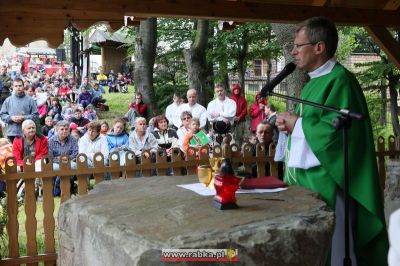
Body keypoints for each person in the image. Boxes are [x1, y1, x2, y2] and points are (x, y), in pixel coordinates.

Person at [276, 16, 388, 265]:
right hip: (307, 178)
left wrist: (298, 124)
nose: (293, 51)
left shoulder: (341, 80)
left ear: (319, 47)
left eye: (298, 46)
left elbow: (339, 134)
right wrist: (290, 127)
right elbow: (312, 126)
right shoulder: (312, 83)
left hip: (330, 179)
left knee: (333, 249)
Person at [0, 78, 39, 143]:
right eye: (16, 86)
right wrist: (11, 118)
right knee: (13, 153)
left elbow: (36, 116)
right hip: (12, 133)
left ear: (23, 86)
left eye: (20, 86)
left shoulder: (30, 100)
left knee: (27, 153)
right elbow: (2, 115)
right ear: (13, 87)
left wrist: (24, 118)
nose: (18, 88)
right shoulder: (8, 100)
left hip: (27, 133)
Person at [48, 120, 79, 196]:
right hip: (55, 163)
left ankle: (57, 190)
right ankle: (67, 189)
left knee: (72, 166)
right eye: (62, 129)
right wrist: (60, 160)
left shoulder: (73, 140)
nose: (64, 131)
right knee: (57, 168)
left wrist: (67, 159)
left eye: (66, 129)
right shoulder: (51, 141)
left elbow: (75, 153)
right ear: (57, 130)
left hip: (70, 162)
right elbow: (50, 156)